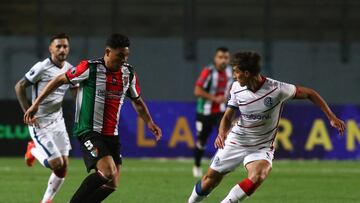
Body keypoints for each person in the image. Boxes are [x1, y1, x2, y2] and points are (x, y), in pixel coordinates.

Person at [188, 51, 345, 203]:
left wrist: (331, 116)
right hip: (237, 140)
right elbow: (228, 116)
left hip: (262, 146)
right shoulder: (236, 87)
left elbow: (310, 93)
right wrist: (222, 133)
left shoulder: (277, 89)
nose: (234, 76)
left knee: (258, 175)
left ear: (247, 73)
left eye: (236, 72)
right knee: (210, 181)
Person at [24, 33, 162, 203]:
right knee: (108, 171)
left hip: (112, 133)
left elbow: (137, 101)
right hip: (88, 131)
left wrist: (149, 122)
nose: (123, 61)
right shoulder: (90, 68)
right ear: (107, 52)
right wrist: (36, 103)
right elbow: (59, 79)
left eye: (126, 57)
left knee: (112, 184)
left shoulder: (128, 73)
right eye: (119, 57)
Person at [14, 33, 76, 203]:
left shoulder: (70, 69)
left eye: (65, 46)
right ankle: (32, 149)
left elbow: (75, 90)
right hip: (39, 122)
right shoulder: (42, 67)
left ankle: (46, 201)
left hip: (58, 121)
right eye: (58, 46)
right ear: (51, 49)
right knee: (56, 163)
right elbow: (19, 86)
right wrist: (27, 111)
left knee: (63, 167)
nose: (62, 49)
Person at [193, 47, 233, 177]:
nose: (223, 60)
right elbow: (197, 91)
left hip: (221, 112)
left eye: (226, 58)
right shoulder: (208, 72)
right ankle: (197, 165)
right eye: (220, 57)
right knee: (202, 140)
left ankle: (219, 166)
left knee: (226, 138)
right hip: (205, 112)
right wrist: (214, 98)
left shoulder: (231, 73)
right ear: (215, 59)